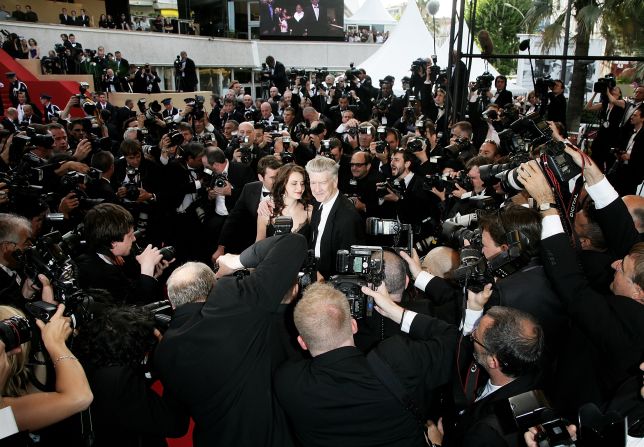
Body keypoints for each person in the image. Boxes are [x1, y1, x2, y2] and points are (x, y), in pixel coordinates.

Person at [154, 233, 308, 447]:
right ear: (213, 286)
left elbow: (176, 424)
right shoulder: (231, 302)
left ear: (171, 302)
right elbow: (293, 242)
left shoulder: (164, 350)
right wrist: (234, 261)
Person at [275, 282, 457, 447]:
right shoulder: (399, 360)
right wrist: (396, 311)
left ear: (302, 342)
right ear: (354, 325)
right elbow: (455, 342)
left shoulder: (288, 383)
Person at [73, 305, 189, 447]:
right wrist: (169, 363)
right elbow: (175, 425)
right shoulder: (118, 381)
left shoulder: (86, 360)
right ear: (138, 350)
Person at [76, 203, 171, 304]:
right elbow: (131, 309)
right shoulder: (96, 275)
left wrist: (152, 276)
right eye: (130, 236)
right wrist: (146, 271)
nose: (134, 239)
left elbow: (131, 290)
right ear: (113, 243)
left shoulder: (108, 258)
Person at [213, 155, 282, 261]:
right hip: (250, 247)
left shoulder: (287, 190)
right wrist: (221, 247)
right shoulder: (249, 188)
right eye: (273, 178)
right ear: (260, 177)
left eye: (279, 176)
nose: (278, 181)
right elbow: (233, 218)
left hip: (278, 247)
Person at [306, 156, 365, 279]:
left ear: (335, 181)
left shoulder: (348, 218)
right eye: (313, 182)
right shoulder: (318, 201)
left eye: (322, 183)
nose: (316, 189)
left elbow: (350, 269)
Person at [257, 163, 312, 241]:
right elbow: (258, 247)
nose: (300, 188)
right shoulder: (267, 210)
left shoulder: (309, 211)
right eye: (294, 183)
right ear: (283, 184)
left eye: (302, 183)